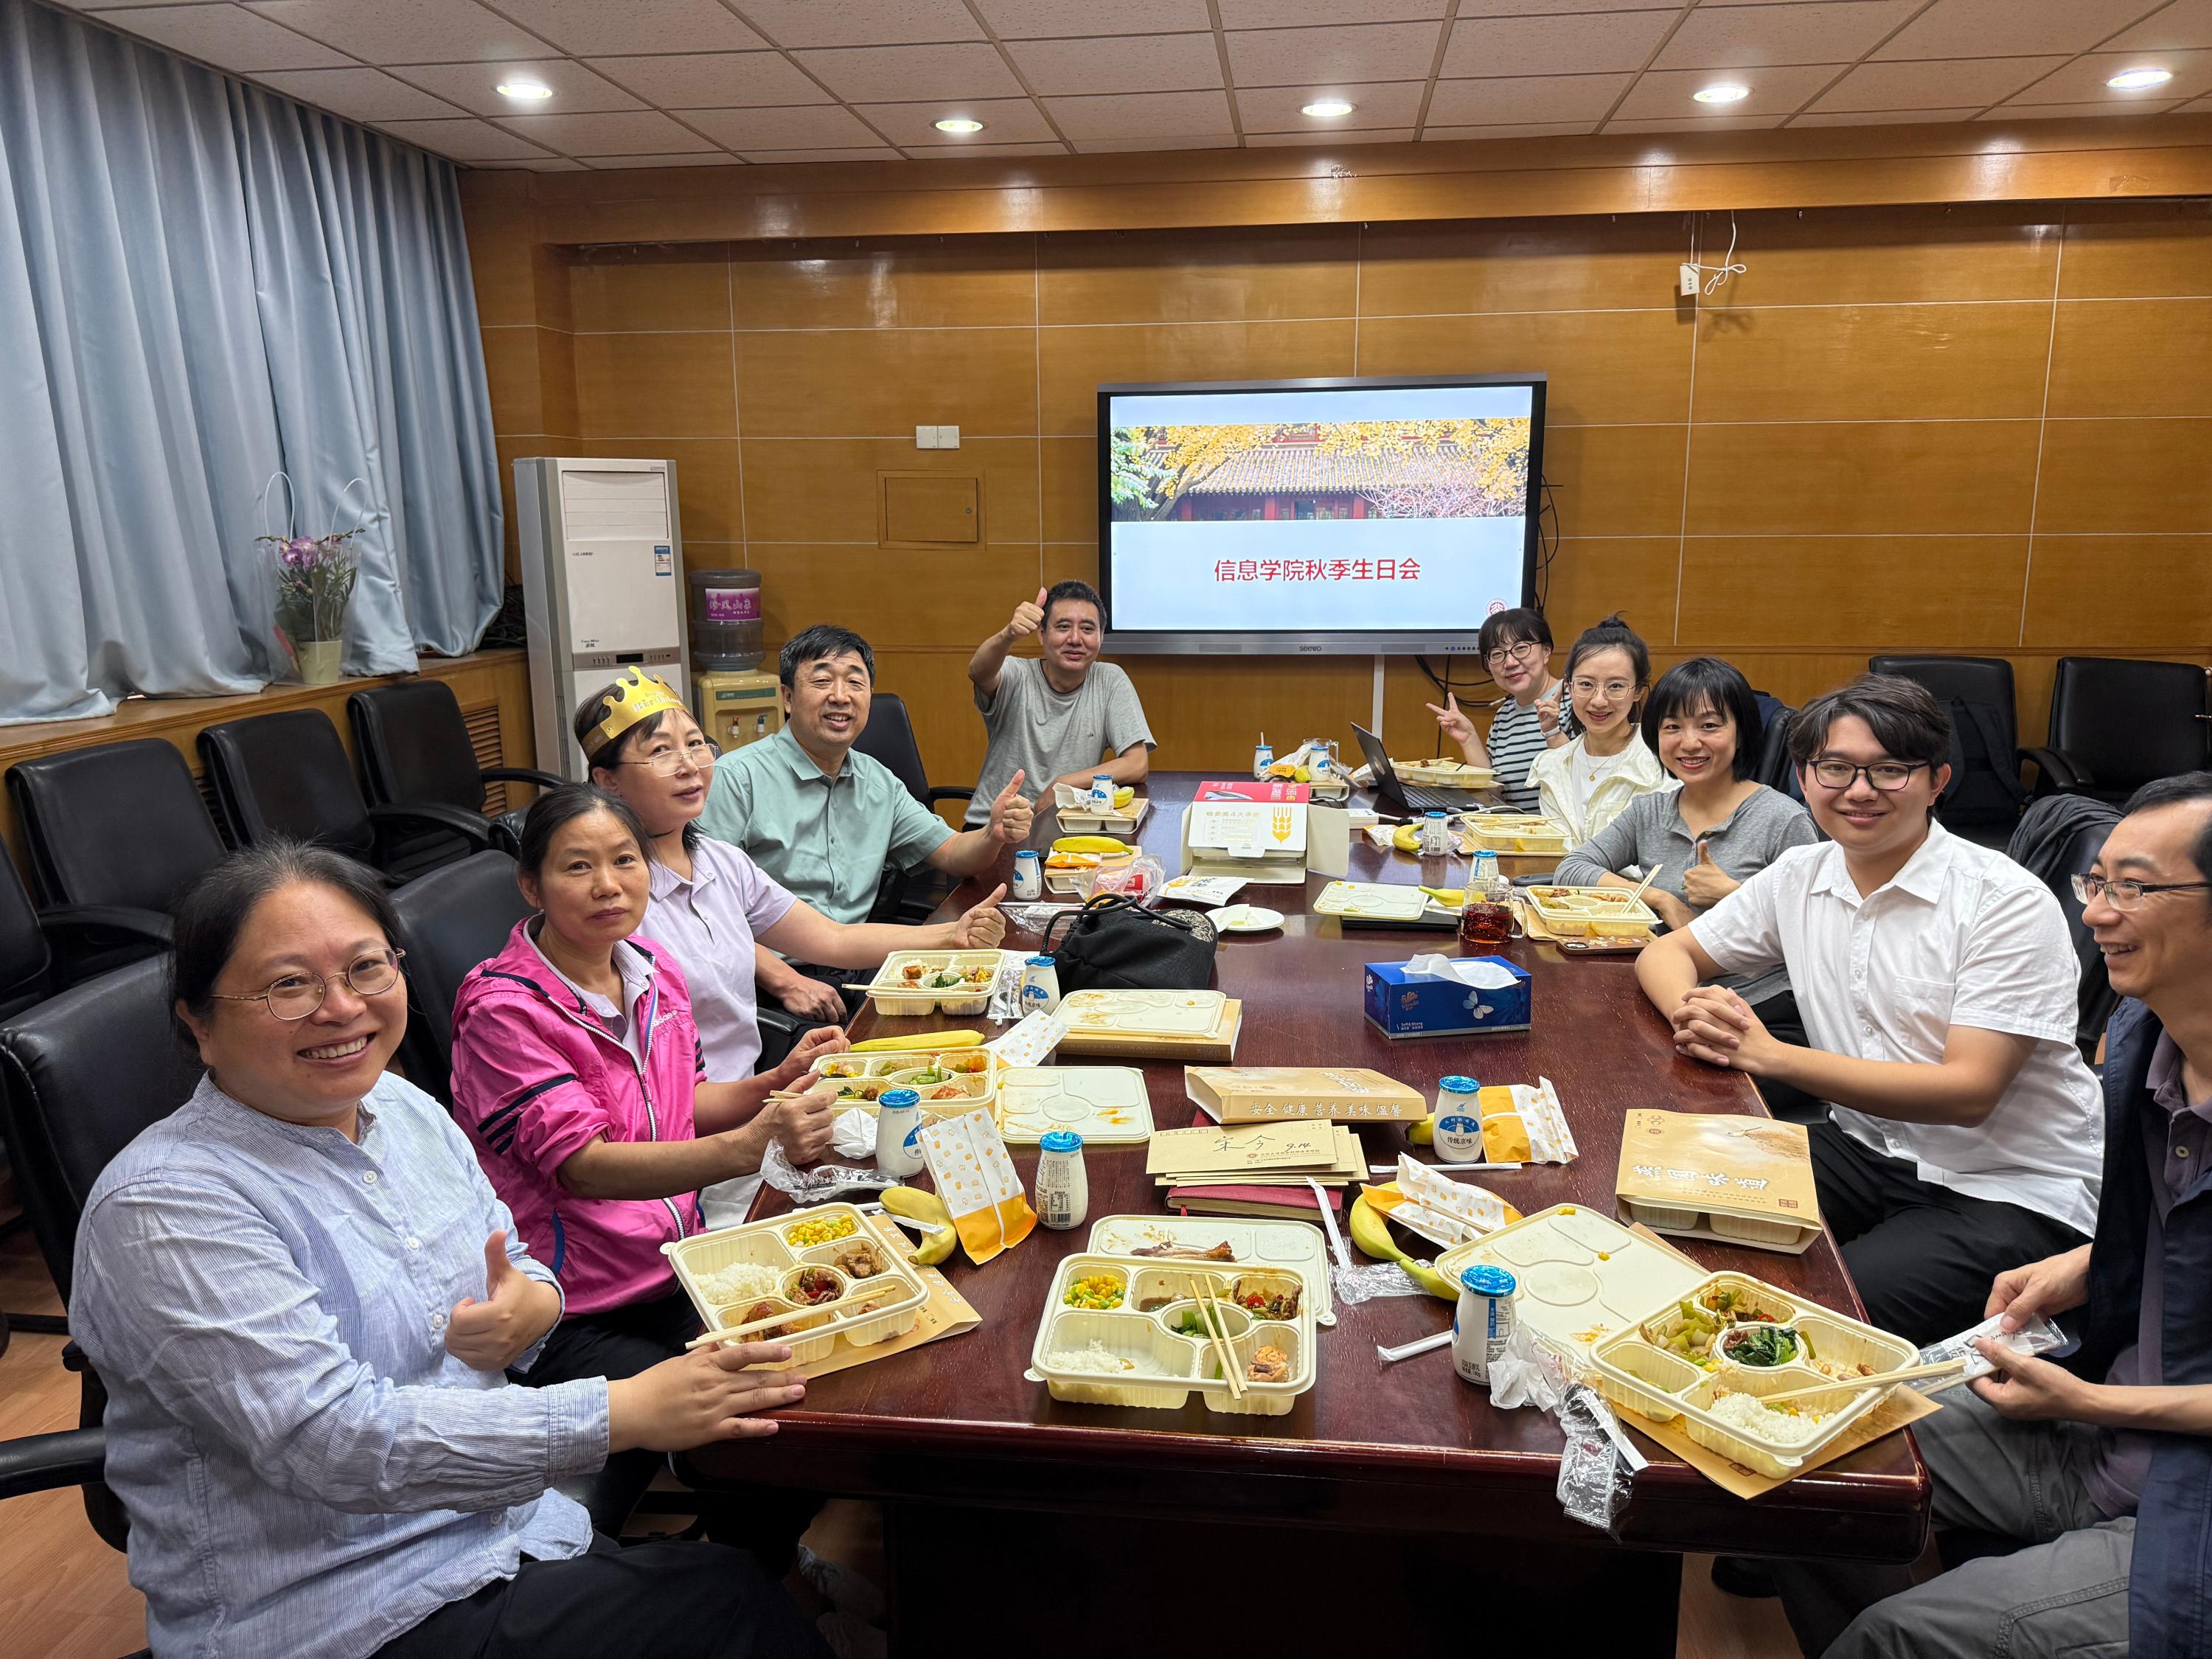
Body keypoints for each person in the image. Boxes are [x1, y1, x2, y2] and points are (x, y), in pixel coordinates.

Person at [69, 842, 826, 1659]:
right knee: (731, 1610)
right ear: (199, 1021)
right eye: (289, 986)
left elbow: (514, 1255)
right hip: (341, 1606)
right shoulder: (167, 1205)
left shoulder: (399, 1107)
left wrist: (534, 1302)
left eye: (366, 968)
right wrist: (625, 1411)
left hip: (498, 1525)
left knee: (756, 1485)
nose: (341, 1008)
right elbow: (333, 1441)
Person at [1775, 772, 2212, 1659]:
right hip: (2097, 1430)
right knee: (1787, 1451)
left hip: (2180, 1497)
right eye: (2097, 882)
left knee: (1897, 1638)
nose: (2095, 914)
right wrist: (2093, 1262)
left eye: (2133, 888)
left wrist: (2086, 1397)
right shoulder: (2146, 1044)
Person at [1635, 675, 2104, 1345]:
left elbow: (1968, 1091)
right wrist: (1699, 1012)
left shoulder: (2003, 901)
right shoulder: (1802, 875)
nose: (1859, 790)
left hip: (2006, 1186)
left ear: (1937, 781)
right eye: (1835, 768)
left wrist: (1771, 1056)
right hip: (1865, 1144)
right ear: (1805, 777)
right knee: (1663, 1214)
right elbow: (1667, 954)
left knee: (1795, 1327)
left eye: (1890, 770)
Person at [448, 787, 838, 1512]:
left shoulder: (652, 968)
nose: (609, 884)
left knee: (805, 1377)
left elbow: (684, 1103)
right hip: (571, 1305)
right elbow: (585, 1167)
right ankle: (744, 1573)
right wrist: (749, 1148)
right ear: (531, 885)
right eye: (578, 867)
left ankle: (766, 1559)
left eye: (625, 860)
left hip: (673, 1266)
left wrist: (774, 1082)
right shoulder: (503, 1012)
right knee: (750, 1419)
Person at [574, 668, 1009, 1217]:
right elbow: (630, 1095)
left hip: (755, 1109)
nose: (689, 766)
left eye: (696, 744)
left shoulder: (719, 861)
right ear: (608, 781)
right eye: (661, 752)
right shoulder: (613, 901)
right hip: (679, 1152)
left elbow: (830, 937)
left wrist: (949, 934)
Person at [698, 625, 1031, 1022]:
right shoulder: (736, 779)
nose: (841, 696)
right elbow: (704, 912)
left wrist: (992, 834)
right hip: (767, 983)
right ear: (787, 697)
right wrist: (786, 982)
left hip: (859, 966)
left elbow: (955, 855)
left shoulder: (878, 781)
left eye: (855, 682)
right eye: (822, 681)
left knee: (989, 1010)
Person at [1556, 656, 1820, 1118]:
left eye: (1710, 725)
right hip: (1667, 995)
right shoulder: (1651, 811)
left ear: (1741, 732)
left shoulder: (1782, 818)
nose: (1690, 742)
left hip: (1757, 1009)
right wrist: (1660, 899)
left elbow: (1818, 932)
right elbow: (1573, 868)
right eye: (1673, 727)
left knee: (1682, 1097)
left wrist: (1736, 895)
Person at [965, 580, 1153, 824]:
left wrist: (1064, 783)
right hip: (995, 827)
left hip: (1064, 825)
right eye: (1063, 627)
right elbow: (979, 673)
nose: (1075, 639)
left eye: (1087, 629)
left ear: (1101, 637)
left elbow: (1137, 764)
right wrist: (1008, 634)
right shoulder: (1016, 674)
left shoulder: (1110, 680)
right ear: (1042, 634)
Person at [1526, 612, 1673, 844]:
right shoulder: (1552, 766)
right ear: (1569, 687)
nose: (1599, 701)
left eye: (1616, 686)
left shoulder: (1661, 759)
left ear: (1637, 691)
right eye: (1586, 684)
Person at [1427, 606, 1565, 813]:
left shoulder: (1575, 699)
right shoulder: (1504, 716)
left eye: (1521, 649)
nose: (1510, 662)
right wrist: (1469, 739)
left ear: (1546, 651)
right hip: (1518, 830)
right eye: (1497, 654)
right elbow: (1498, 797)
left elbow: (1584, 779)